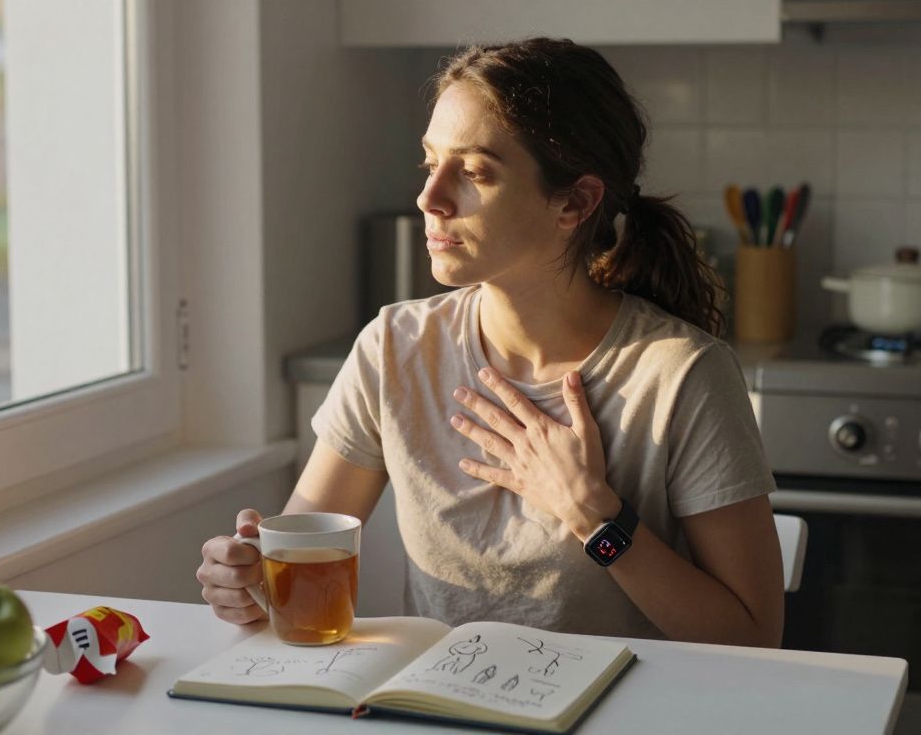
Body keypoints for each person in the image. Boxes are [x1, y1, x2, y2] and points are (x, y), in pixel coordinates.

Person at [196, 38, 784, 647]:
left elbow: (755, 638)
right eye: (430, 163)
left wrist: (595, 516)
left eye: (474, 172)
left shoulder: (682, 375)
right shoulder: (394, 349)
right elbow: (294, 567)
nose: (430, 198)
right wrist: (247, 582)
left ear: (575, 202)